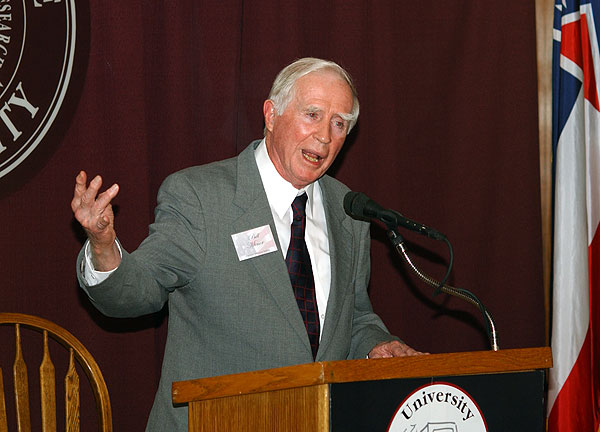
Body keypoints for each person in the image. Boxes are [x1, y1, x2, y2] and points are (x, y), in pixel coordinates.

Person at [72, 57, 423, 431]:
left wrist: (376, 344)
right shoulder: (201, 197)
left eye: (339, 124)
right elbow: (139, 292)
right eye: (312, 115)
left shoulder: (348, 211)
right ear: (271, 115)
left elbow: (352, 317)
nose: (324, 136)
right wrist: (104, 246)